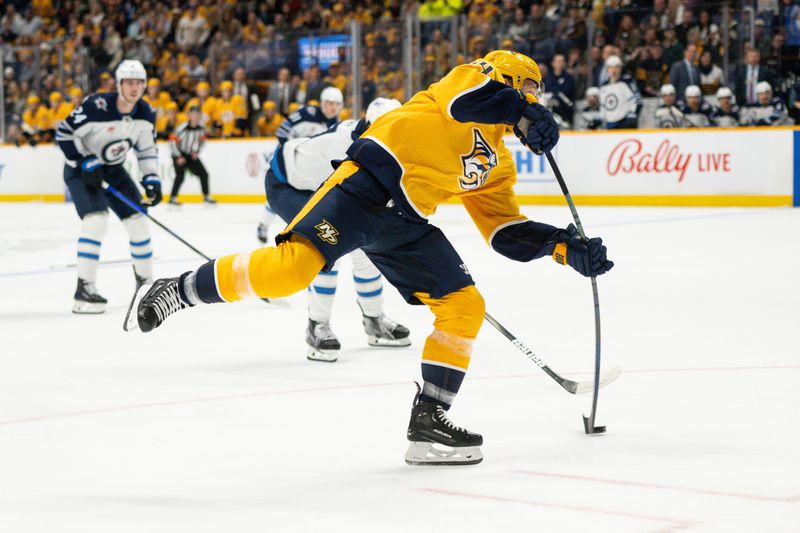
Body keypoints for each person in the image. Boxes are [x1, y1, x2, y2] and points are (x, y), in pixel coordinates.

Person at [124, 51, 613, 466]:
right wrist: (522, 110)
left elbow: (504, 231)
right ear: (510, 78)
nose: (535, 98)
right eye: (530, 88)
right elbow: (466, 104)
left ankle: (428, 423)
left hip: (406, 222)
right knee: (294, 270)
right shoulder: (474, 78)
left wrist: (563, 246)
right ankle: (176, 289)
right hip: (365, 185)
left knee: (465, 306)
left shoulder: (498, 161)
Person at [264, 97, 411, 362]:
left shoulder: (377, 141)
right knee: (324, 246)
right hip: (288, 185)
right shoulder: (343, 147)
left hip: (319, 183)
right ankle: (316, 326)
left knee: (367, 249)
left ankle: (374, 321)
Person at [55, 59, 162, 314]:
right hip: (81, 170)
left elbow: (147, 150)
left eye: (139, 83)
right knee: (96, 220)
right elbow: (64, 133)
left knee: (138, 221)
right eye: (129, 82)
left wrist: (152, 180)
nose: (134, 88)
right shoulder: (96, 106)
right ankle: (84, 289)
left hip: (113, 171)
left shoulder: (145, 113)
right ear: (119, 84)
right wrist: (83, 161)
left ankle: (145, 288)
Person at [257, 87, 343, 244]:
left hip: (308, 171)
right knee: (281, 197)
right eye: (331, 103)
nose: (334, 108)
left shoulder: (336, 124)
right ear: (323, 103)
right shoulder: (307, 113)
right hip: (288, 165)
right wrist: (290, 154)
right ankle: (264, 226)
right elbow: (282, 131)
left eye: (338, 104)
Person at [168, 106, 214, 205]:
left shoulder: (202, 127)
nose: (195, 116)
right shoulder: (182, 127)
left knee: (204, 174)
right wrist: (178, 156)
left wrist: (197, 152)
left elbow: (203, 141)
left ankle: (206, 196)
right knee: (180, 176)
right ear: (189, 115)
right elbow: (172, 141)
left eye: (197, 113)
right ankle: (172, 198)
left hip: (189, 154)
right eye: (193, 114)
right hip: (178, 153)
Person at [599, 55, 642, 129]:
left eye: (616, 67)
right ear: (607, 69)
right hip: (610, 125)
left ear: (620, 68)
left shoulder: (627, 81)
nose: (614, 70)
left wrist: (632, 116)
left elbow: (638, 101)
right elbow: (603, 107)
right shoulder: (603, 86)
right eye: (611, 67)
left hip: (625, 123)